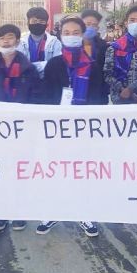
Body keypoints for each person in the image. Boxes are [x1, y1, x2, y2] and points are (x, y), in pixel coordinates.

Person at [36, 15, 106, 237]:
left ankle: (84, 212)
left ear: (83, 35)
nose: (71, 36)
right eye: (67, 32)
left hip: (84, 128)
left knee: (82, 170)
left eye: (76, 33)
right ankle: (53, 211)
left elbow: (101, 97)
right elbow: (45, 96)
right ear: (60, 35)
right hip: (57, 128)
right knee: (56, 169)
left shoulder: (92, 66)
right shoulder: (54, 65)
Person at [0, 24, 41, 232]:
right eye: (2, 38)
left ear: (17, 41)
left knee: (20, 171)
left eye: (10, 37)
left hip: (22, 131)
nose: (6, 41)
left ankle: (19, 213)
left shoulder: (29, 69)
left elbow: (36, 99)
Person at [17, 7, 62, 77]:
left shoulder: (55, 42)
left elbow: (57, 64)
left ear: (46, 24)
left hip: (48, 82)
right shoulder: (20, 43)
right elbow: (19, 66)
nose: (37, 24)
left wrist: (31, 66)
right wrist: (44, 64)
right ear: (28, 23)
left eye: (41, 21)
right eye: (34, 21)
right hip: (27, 83)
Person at [81, 9, 109, 103]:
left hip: (98, 92)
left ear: (97, 27)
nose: (90, 27)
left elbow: (107, 70)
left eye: (94, 25)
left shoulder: (104, 46)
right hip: (79, 88)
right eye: (87, 24)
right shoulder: (74, 44)